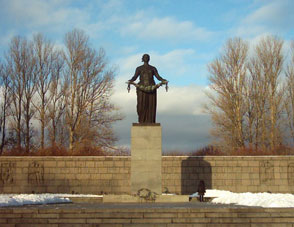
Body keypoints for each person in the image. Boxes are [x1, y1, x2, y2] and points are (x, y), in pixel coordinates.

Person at [128, 54, 167, 123]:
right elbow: (135, 77)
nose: (146, 58)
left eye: (147, 57)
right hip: (141, 89)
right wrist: (130, 81)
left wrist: (163, 80)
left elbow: (158, 77)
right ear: (142, 59)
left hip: (152, 88)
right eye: (145, 57)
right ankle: (141, 121)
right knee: (141, 105)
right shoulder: (139, 68)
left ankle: (151, 121)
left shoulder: (153, 68)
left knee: (150, 105)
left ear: (149, 59)